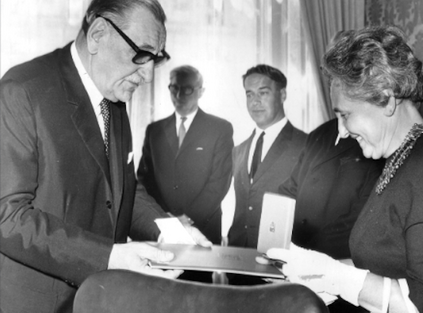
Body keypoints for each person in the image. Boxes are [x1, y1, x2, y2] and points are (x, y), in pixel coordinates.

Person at [0, 1, 209, 312]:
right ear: (98, 33)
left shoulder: (114, 99)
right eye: (141, 54)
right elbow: (7, 215)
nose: (149, 75)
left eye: (156, 58)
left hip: (97, 299)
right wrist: (108, 256)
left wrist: (174, 232)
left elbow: (124, 190)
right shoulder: (23, 90)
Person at [267, 26, 423, 313]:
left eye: (345, 115)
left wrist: (334, 277)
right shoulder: (404, 158)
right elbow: (383, 267)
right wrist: (315, 273)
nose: (343, 132)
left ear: (385, 97)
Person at [137, 65, 233, 283]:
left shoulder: (220, 128)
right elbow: (144, 181)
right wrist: (167, 220)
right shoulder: (155, 130)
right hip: (162, 230)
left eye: (187, 89)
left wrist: (185, 220)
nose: (179, 95)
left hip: (202, 230)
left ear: (201, 91)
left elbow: (219, 183)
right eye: (174, 88)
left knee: (198, 296)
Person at [278, 118, 384, 312]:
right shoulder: (319, 134)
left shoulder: (374, 137)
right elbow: (289, 190)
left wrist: (308, 261)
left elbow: (362, 223)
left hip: (343, 283)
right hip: (299, 276)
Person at [227, 64, 307, 284]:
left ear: (282, 94)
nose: (255, 101)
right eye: (249, 94)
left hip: (281, 272)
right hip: (238, 268)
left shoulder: (306, 146)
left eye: (263, 93)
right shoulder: (239, 150)